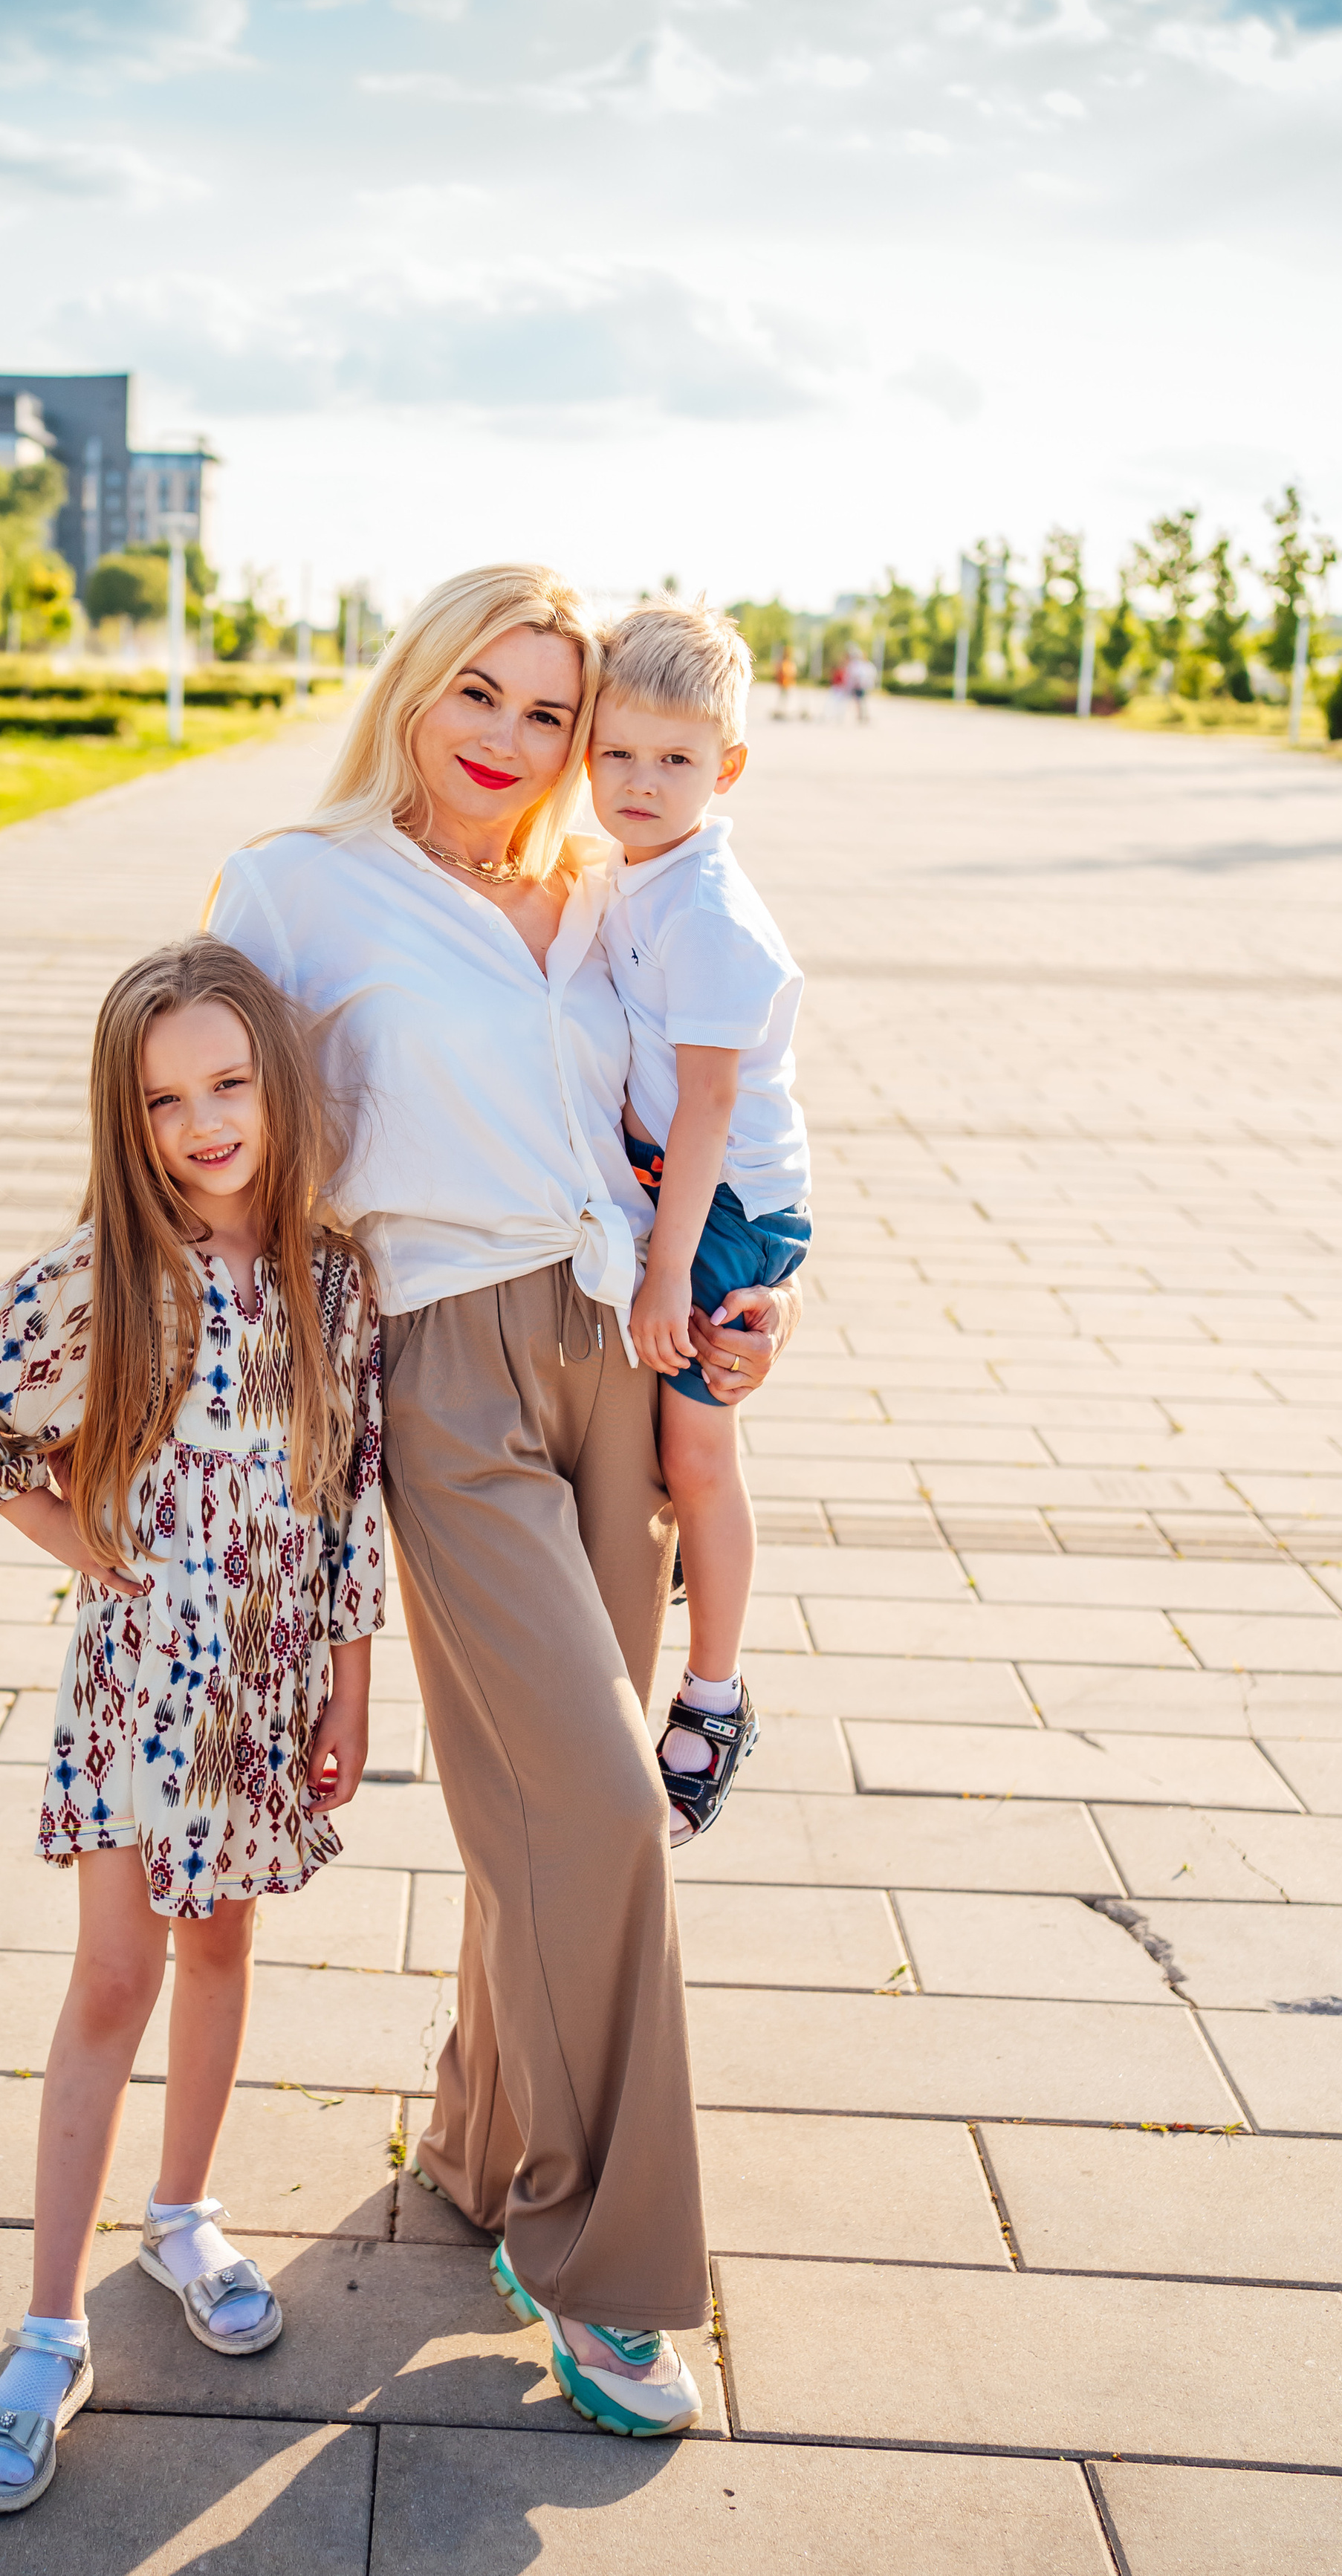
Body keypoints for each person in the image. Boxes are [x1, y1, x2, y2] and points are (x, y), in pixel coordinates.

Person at [207, 563, 799, 2439]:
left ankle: (479, 2137)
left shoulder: (604, 887)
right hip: (447, 1359)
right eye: (481, 691)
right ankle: (607, 2268)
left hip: (619, 1354)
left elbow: (690, 1122)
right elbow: (220, 1155)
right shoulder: (293, 885)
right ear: (413, 679)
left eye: (548, 712)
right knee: (599, 1810)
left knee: (548, 1803)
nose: (510, 740)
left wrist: (738, 1302)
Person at [0, 939, 383, 2515]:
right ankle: (48, 2328)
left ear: (275, 1087)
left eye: (228, 1083)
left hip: (264, 1680)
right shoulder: (109, 1273)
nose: (203, 1122)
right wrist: (63, 1534)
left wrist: (350, 1679)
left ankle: (181, 2217)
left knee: (224, 1953)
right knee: (114, 1976)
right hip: (136, 1683)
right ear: (132, 1114)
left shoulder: (330, 1277)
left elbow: (349, 1491)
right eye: (166, 1098)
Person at [585, 603, 811, 1847]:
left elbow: (714, 1104)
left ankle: (716, 1696)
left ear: (726, 768)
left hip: (719, 1204)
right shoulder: (642, 876)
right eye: (619, 753)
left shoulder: (708, 911)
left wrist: (670, 1273)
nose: (641, 781)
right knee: (673, 1446)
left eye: (675, 759)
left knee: (699, 1456)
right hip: (675, 1175)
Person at [771, 640, 797, 718]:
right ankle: (782, 711)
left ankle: (785, 711)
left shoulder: (788, 663)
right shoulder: (783, 663)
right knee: (783, 698)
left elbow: (792, 673)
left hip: (787, 684)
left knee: (786, 698)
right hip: (784, 684)